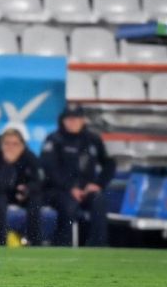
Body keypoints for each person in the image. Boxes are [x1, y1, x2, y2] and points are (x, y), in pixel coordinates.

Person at [41, 104, 116, 246]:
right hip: (60, 190)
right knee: (68, 205)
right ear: (63, 120)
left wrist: (98, 184)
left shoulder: (93, 140)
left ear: (82, 120)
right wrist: (69, 187)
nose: (73, 122)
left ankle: (97, 246)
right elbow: (49, 169)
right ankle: (64, 245)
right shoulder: (54, 139)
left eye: (76, 118)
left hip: (86, 190)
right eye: (69, 119)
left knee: (99, 201)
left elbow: (109, 164)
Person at [0, 128, 43, 246]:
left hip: (21, 195)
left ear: (22, 145)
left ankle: (34, 242)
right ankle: (0, 242)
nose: (11, 147)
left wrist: (27, 189)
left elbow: (39, 181)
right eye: (7, 143)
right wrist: (7, 164)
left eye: (15, 144)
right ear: (1, 145)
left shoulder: (29, 157)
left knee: (35, 200)